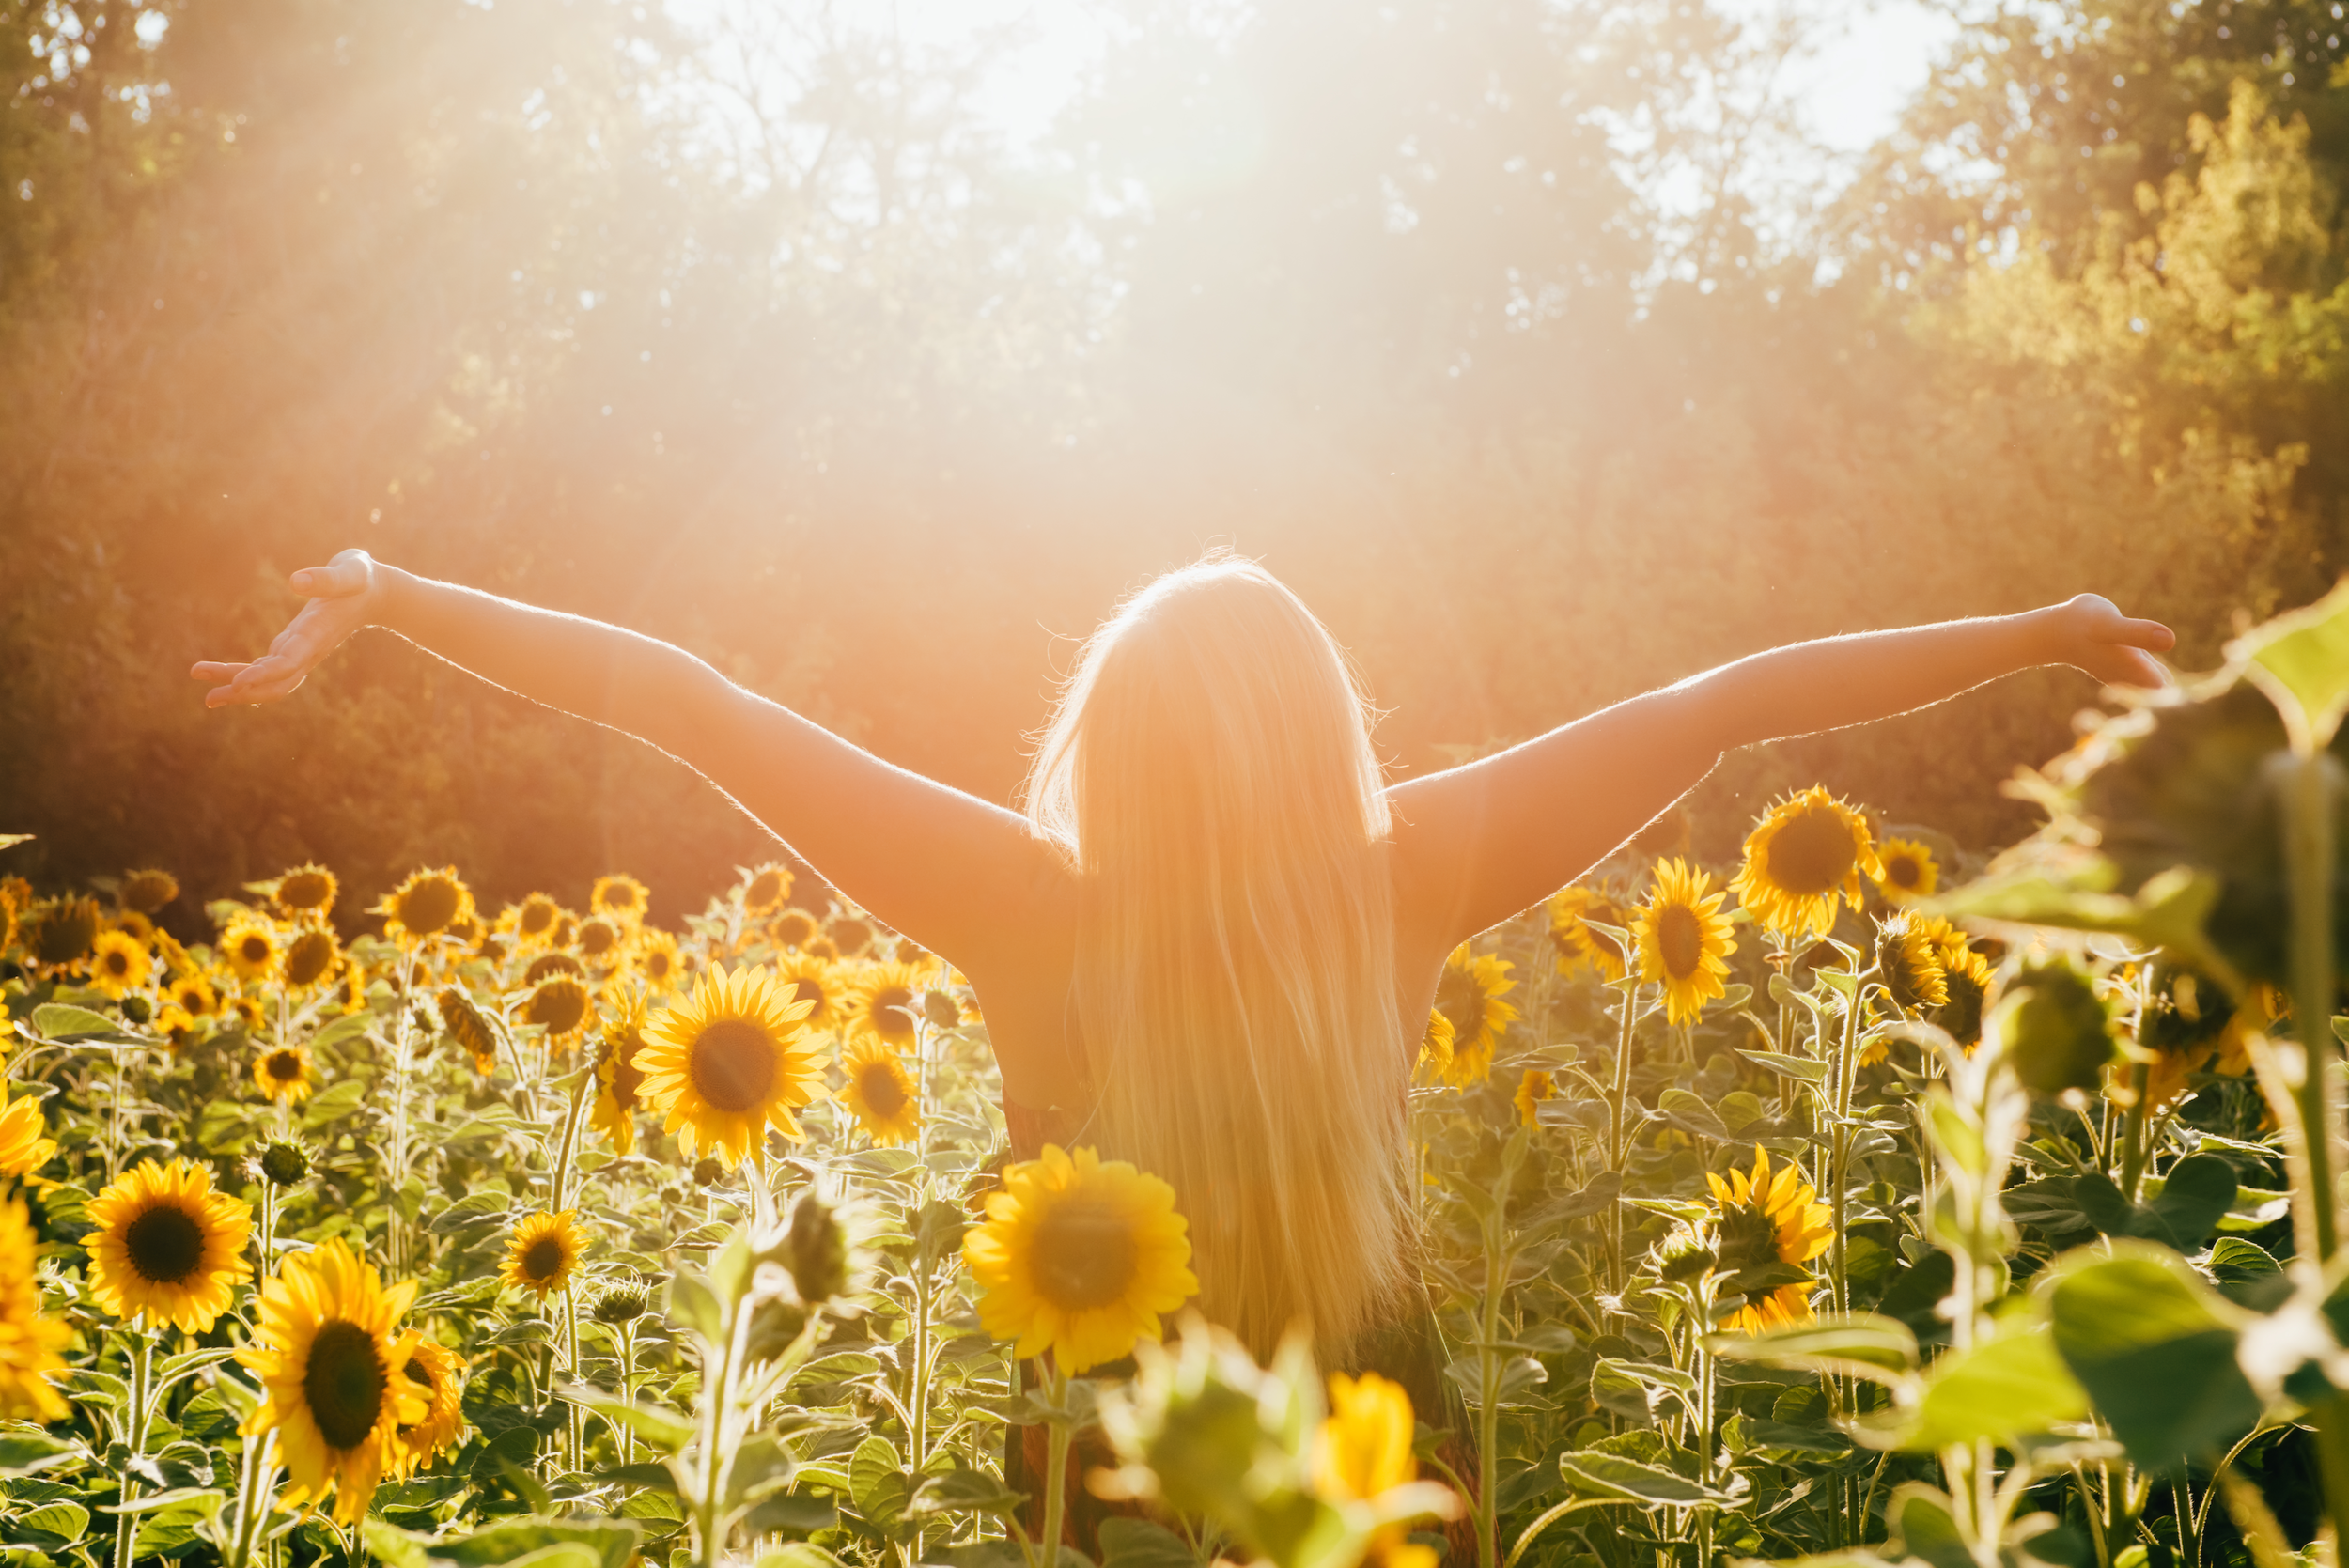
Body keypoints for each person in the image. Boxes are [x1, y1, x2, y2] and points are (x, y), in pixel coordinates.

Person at [193, 549, 2171, 1454]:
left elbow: (684, 703)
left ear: (1105, 746)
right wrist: (2037, 633)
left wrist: (388, 589)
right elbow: (1732, 696)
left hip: (1094, 1464)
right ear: (1325, 738)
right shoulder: (1415, 874)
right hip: (1385, 1449)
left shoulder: (1019, 901)